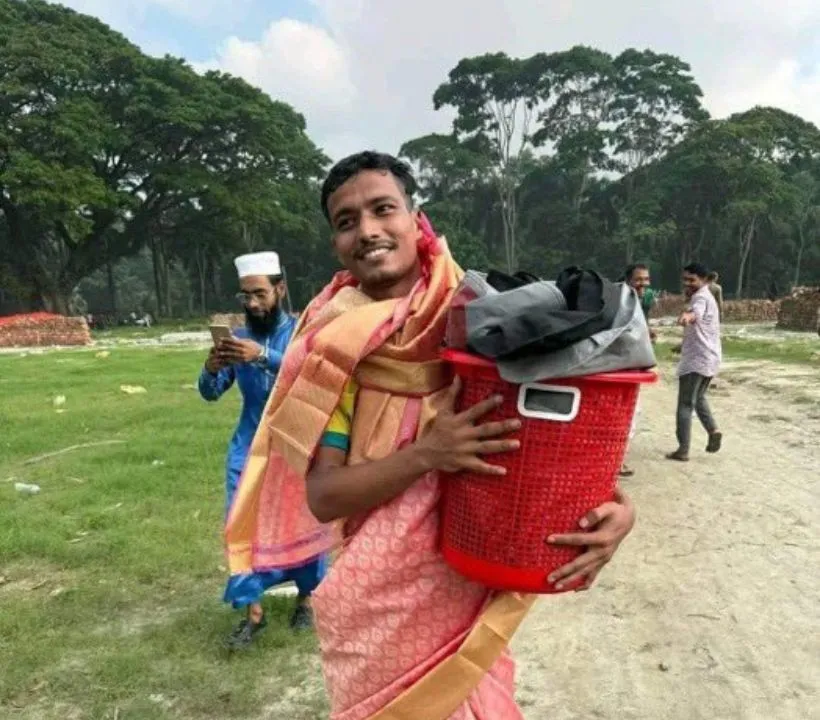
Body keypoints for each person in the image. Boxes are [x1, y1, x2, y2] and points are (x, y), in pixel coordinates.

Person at [225, 152, 636, 718]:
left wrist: (618, 509)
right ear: (335, 243)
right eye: (346, 222)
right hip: (375, 609)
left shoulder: (484, 320)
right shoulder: (334, 347)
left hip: (468, 583)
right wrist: (428, 454)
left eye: (382, 209)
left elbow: (557, 441)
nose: (366, 230)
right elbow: (324, 495)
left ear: (417, 218)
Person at [199, 251, 326, 649]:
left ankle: (307, 598)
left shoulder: (303, 333)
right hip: (248, 448)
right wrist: (213, 368)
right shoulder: (239, 339)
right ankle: (252, 612)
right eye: (245, 296)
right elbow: (209, 394)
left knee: (303, 525)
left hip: (295, 447)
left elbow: (311, 380)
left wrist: (265, 357)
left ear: (280, 289)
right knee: (241, 525)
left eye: (259, 294)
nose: (252, 303)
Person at [667, 262, 723, 462]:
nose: (687, 283)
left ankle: (683, 449)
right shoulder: (708, 297)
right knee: (698, 398)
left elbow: (695, 314)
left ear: (704, 279)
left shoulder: (700, 298)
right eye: (685, 279)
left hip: (697, 360)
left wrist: (686, 316)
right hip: (710, 357)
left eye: (692, 280)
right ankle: (713, 429)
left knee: (685, 404)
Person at [620, 263, 657, 478]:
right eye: (639, 279)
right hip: (622, 366)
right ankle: (617, 461)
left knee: (633, 411)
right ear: (628, 280)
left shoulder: (641, 300)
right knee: (628, 412)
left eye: (646, 279)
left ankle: (618, 458)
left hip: (633, 365)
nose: (643, 283)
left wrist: (647, 331)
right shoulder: (622, 301)